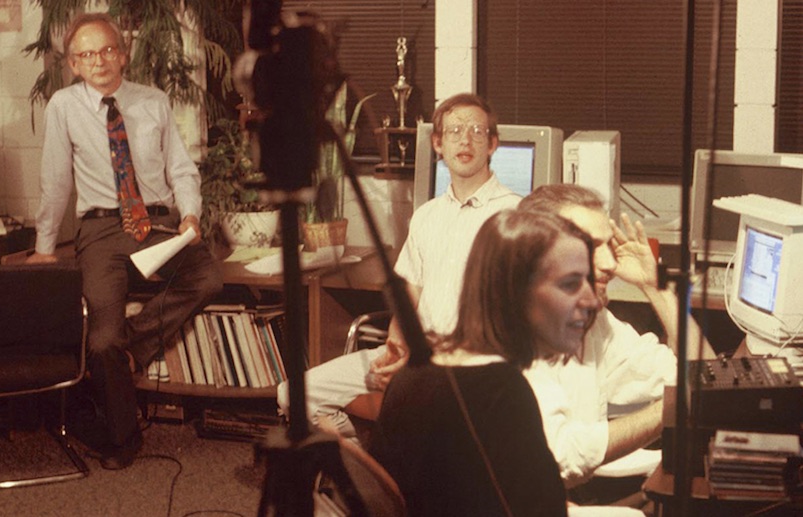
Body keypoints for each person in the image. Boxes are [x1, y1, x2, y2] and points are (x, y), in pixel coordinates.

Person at [28, 13, 223, 469]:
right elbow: (55, 180)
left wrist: (191, 214)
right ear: (73, 64)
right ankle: (124, 435)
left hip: (158, 226)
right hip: (101, 231)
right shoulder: (63, 106)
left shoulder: (153, 101)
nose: (99, 61)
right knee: (100, 342)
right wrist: (43, 244)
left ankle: (133, 349)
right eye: (87, 54)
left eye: (107, 50)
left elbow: (180, 168)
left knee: (209, 278)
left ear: (124, 53)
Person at [276, 93, 522, 435]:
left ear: (492, 144)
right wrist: (394, 349)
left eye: (477, 131)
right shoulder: (426, 217)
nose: (465, 139)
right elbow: (410, 294)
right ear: (437, 144)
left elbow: (511, 320)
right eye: (453, 131)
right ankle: (369, 458)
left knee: (422, 409)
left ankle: (392, 443)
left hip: (468, 365)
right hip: (415, 356)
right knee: (293, 395)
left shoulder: (514, 216)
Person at [370, 209, 598, 517]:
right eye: (570, 284)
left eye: (588, 281)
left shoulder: (417, 372)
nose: (591, 300)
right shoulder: (501, 390)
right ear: (517, 292)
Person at [518, 184, 715, 491]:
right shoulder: (515, 330)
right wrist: (673, 407)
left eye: (608, 246)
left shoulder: (593, 322)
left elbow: (708, 375)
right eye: (591, 246)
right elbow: (561, 456)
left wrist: (655, 286)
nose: (610, 263)